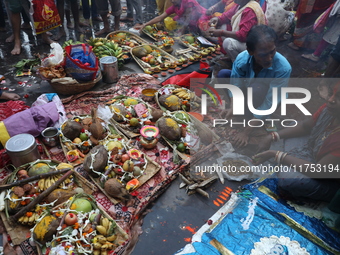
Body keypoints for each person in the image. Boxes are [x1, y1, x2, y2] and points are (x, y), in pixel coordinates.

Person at [252, 81, 340, 202]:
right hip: (312, 151)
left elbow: (318, 171)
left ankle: (286, 159)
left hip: (327, 180)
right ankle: (289, 158)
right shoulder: (329, 110)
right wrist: (272, 136)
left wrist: (277, 155)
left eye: (339, 97)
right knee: (291, 125)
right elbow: (305, 127)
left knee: (288, 180)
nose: (331, 100)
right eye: (332, 94)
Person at [221, 25, 292, 147]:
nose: (269, 58)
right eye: (263, 54)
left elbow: (270, 103)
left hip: (264, 95)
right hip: (249, 89)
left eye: (272, 52)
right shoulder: (242, 59)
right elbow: (235, 85)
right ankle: (241, 111)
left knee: (256, 89)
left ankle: (255, 117)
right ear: (251, 51)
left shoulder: (283, 68)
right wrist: (233, 107)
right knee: (223, 75)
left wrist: (245, 132)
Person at [136, 0, 207, 34]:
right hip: (189, 22)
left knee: (203, 34)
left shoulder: (187, 1)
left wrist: (182, 31)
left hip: (202, 19)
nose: (172, 1)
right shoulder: (174, 7)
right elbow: (160, 17)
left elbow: (188, 17)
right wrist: (145, 24)